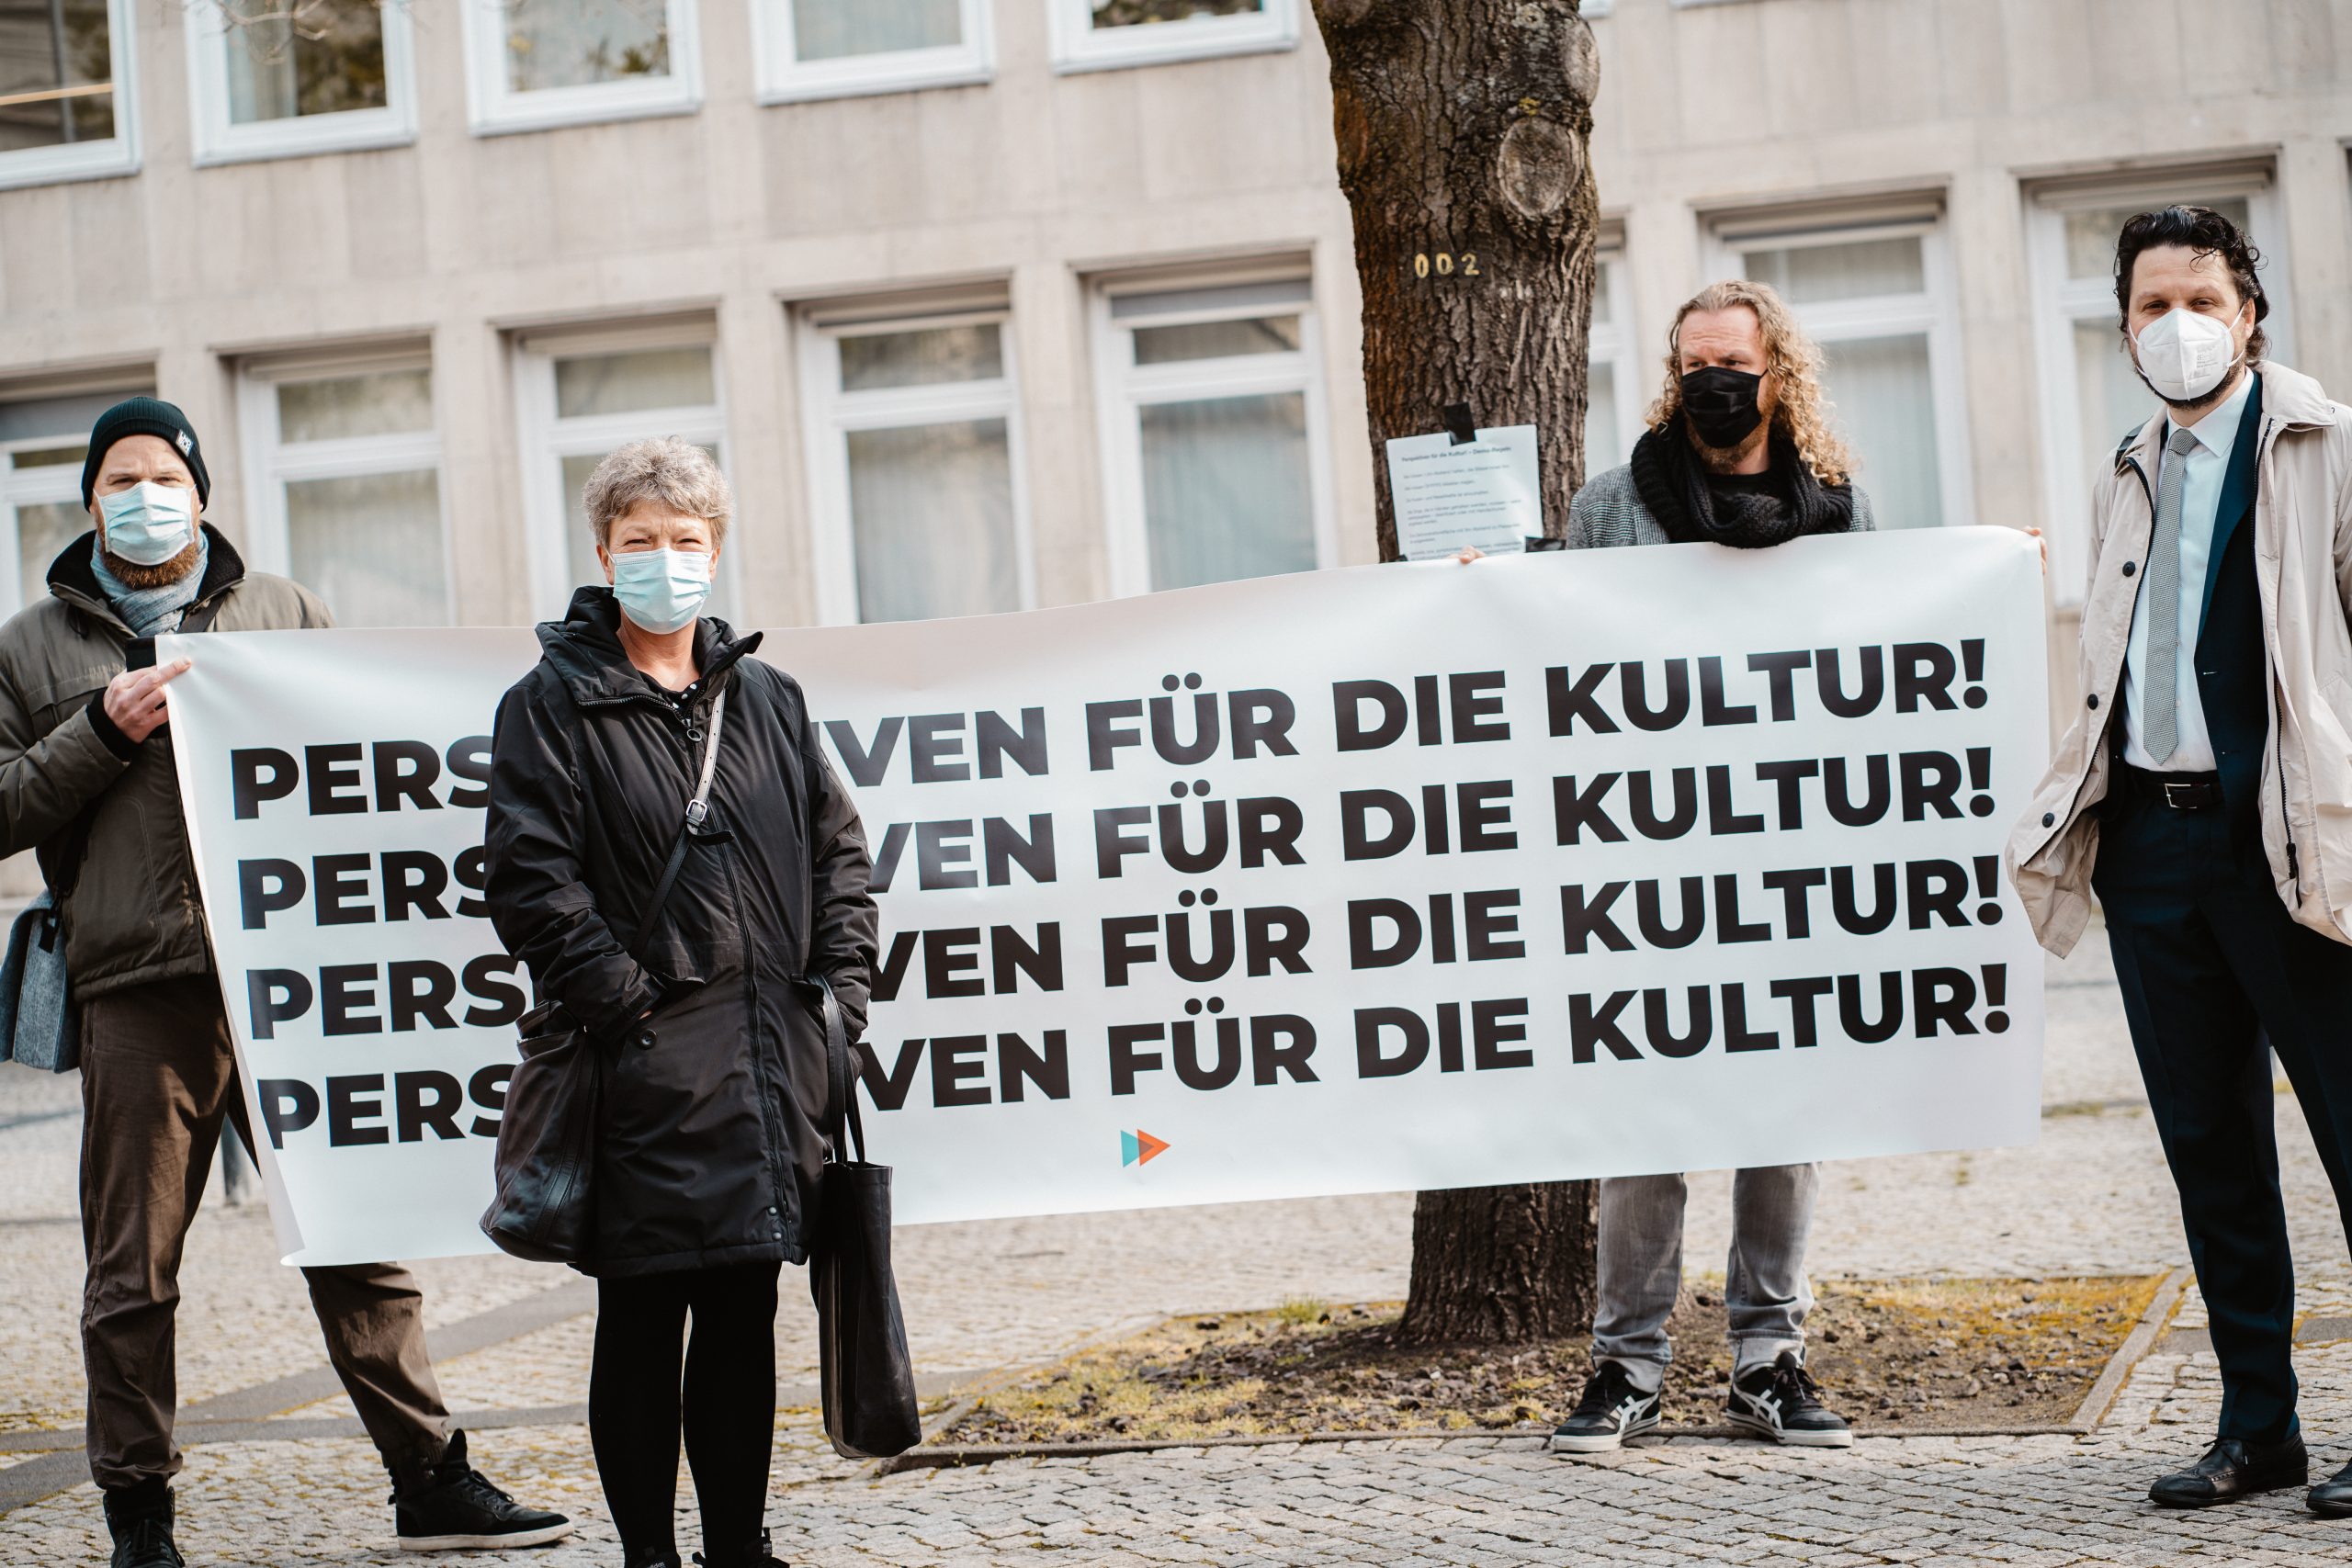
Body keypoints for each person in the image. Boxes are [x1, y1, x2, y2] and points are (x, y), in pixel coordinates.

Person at [0, 399, 571, 1568]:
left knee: (354, 1235)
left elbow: (352, 768)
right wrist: (98, 731)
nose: (145, 497)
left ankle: (430, 1479)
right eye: (120, 480)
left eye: (165, 477)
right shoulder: (29, 647)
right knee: (132, 1269)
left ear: (201, 493)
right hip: (137, 988)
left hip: (289, 982)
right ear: (90, 500)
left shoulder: (285, 611)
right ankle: (139, 1515)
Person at [1465, 280, 1868, 1452]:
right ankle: (1625, 1363)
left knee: (1783, 1112)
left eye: (1731, 364)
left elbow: (1880, 656)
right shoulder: (1612, 506)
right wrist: (1483, 598)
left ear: (1776, 373)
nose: (1711, 384)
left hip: (1785, 856)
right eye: (1693, 366)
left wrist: (1990, 577)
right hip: (1644, 864)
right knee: (1645, 1112)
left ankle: (1767, 1358)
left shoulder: (1836, 509)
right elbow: (1555, 651)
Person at [2008, 205, 2352, 1517]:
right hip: (2153, 848)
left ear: (2248, 314)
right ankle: (2258, 1427)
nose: (2178, 325)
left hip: (2289, 843)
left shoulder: (2326, 445)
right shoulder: (2127, 467)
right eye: (2151, 305)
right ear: (2124, 329)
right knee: (2212, 1154)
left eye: (2200, 299)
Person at [484, 437, 879, 1568]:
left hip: (766, 1059)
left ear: (717, 549)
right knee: (645, 1314)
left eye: (686, 540)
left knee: (746, 1311)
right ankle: (650, 1556)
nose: (666, 559)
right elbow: (529, 879)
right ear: (604, 552)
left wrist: (839, 1001)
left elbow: (838, 855)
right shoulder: (551, 703)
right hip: (641, 1066)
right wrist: (626, 1011)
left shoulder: (767, 695)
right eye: (642, 540)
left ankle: (737, 1549)